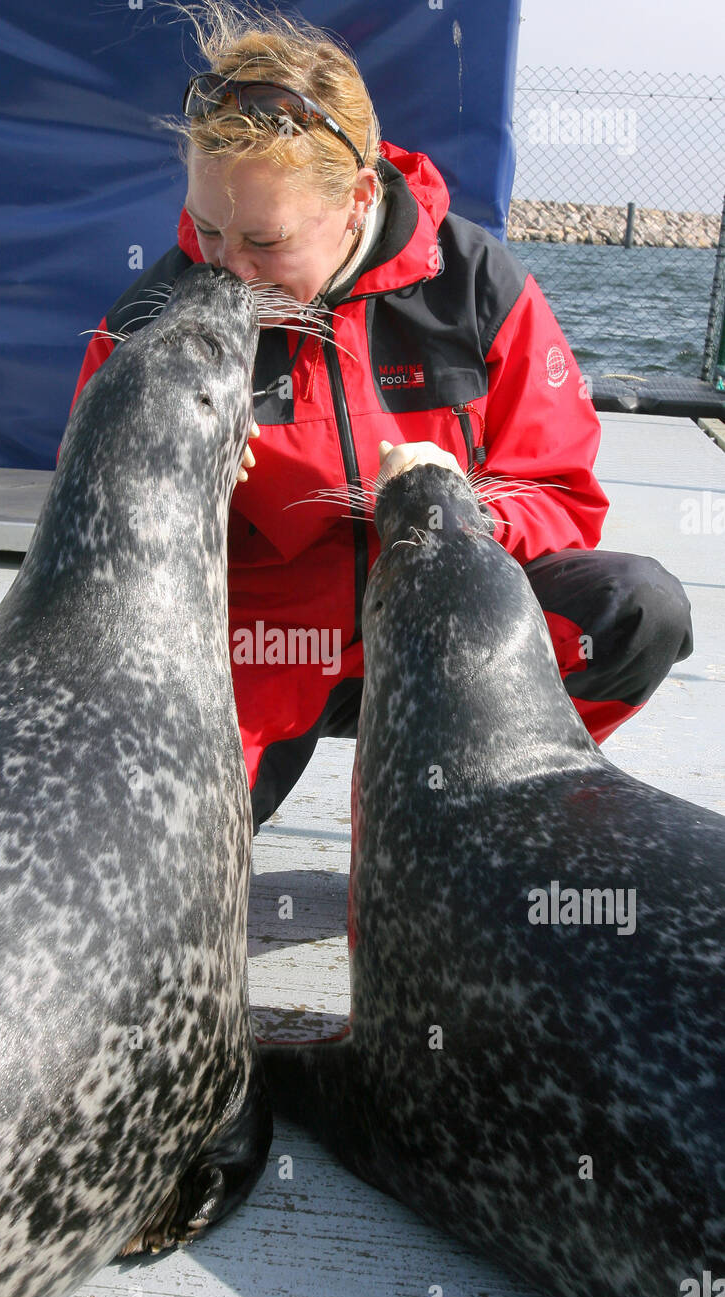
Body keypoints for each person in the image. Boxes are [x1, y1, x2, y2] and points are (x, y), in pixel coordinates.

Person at [68, 1, 692, 834]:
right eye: (208, 232)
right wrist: (174, 492)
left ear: (358, 198)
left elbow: (565, 498)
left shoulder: (476, 286)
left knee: (640, 608)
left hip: (450, 639)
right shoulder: (153, 320)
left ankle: (500, 807)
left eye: (266, 241)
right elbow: (89, 571)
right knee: (155, 846)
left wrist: (454, 506)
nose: (230, 271)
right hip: (259, 654)